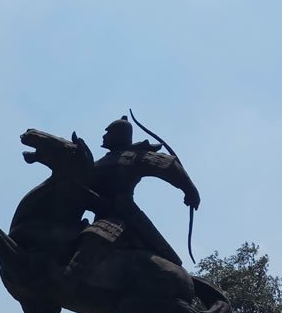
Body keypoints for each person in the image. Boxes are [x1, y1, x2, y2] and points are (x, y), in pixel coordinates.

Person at [62, 116, 200, 290]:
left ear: (119, 135)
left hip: (122, 216)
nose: (104, 136)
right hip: (101, 213)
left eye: (108, 132)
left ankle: (67, 282)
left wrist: (190, 190)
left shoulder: (134, 156)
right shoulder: (100, 162)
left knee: (93, 240)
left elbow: (168, 165)